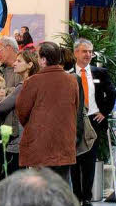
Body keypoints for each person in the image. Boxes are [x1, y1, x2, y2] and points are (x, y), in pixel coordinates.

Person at [16, 42, 78, 180]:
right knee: (62, 186)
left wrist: (33, 127)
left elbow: (22, 111)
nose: (37, 59)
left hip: (40, 143)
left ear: (43, 60)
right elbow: (75, 108)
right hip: (64, 142)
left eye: (38, 56)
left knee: (40, 188)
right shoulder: (72, 81)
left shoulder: (32, 81)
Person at [68, 39, 116, 206]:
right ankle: (76, 195)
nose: (88, 54)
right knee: (73, 159)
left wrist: (104, 112)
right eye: (84, 51)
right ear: (75, 53)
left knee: (89, 159)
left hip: (94, 120)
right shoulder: (67, 74)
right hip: (74, 123)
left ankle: (87, 196)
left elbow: (111, 93)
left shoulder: (100, 73)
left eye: (90, 51)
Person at [0, 48, 41, 174]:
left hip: (18, 142)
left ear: (30, 65)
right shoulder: (37, 83)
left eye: (19, 61)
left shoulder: (24, 86)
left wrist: (7, 94)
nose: (14, 63)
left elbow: (1, 107)